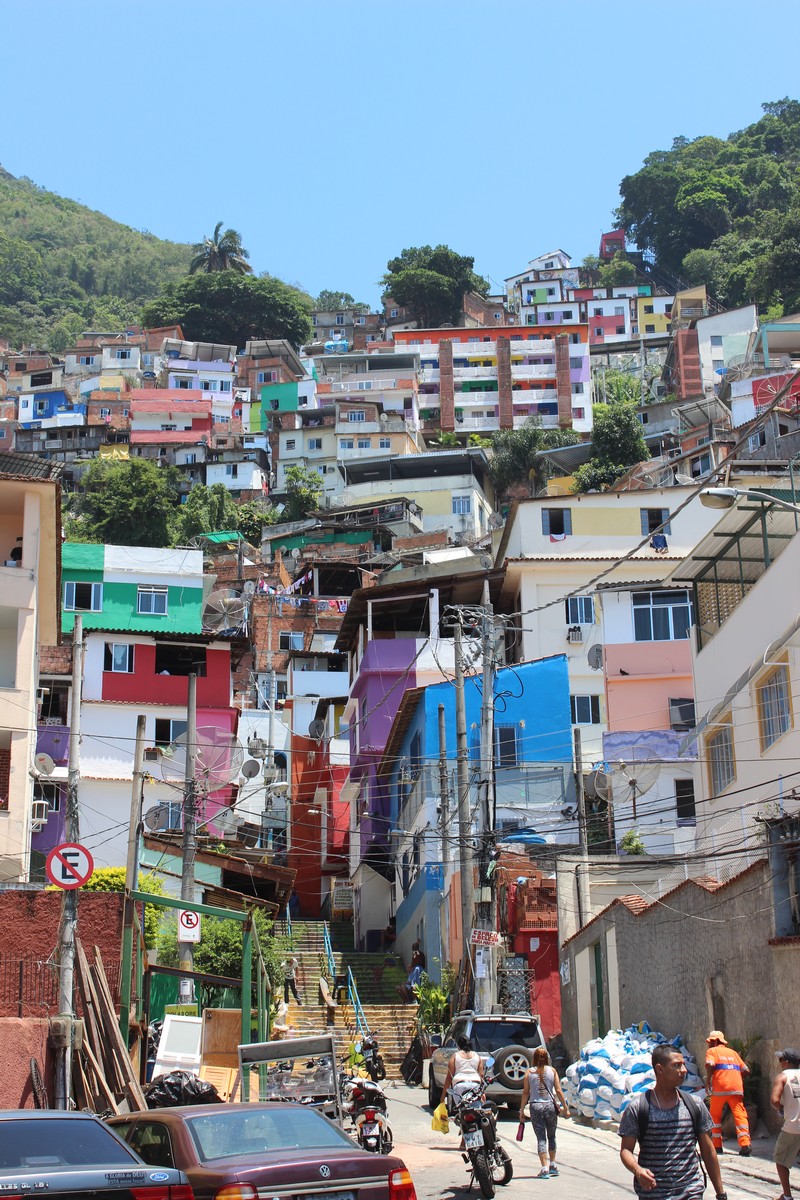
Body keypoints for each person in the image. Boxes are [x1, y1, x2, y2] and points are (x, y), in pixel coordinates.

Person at [619, 1043, 726, 1200]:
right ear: (660, 1069)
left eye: (683, 1064)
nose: (684, 1070)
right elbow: (625, 1150)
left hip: (691, 1192)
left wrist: (721, 1194)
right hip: (653, 1194)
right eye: (677, 1065)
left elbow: (709, 1152)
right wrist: (638, 1170)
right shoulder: (638, 1108)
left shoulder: (694, 1105)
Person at [519, 1046, 569, 1179]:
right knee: (552, 1136)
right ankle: (553, 1164)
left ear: (534, 1058)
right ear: (547, 1058)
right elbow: (558, 1090)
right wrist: (565, 1107)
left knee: (541, 1138)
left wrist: (522, 1110)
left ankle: (544, 1168)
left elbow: (525, 1093)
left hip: (535, 1106)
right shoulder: (552, 1071)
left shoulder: (529, 1072)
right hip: (550, 1106)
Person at [705, 1030, 751, 1155]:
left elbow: (710, 1064)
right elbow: (746, 1070)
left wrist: (708, 1082)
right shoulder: (733, 1053)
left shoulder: (712, 1051)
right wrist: (736, 1078)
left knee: (715, 1116)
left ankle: (717, 1146)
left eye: (710, 1041)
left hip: (720, 1088)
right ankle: (745, 1144)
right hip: (736, 1088)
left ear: (715, 1041)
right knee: (740, 1115)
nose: (709, 1044)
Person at [771, 1047, 800, 1200]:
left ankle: (787, 1196)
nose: (779, 1062)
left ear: (787, 1062)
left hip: (793, 1126)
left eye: (781, 1059)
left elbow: (774, 1100)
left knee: (780, 1159)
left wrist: (781, 1109)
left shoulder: (783, 1076)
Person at [440, 1034, 484, 1109]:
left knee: (461, 1109)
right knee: (476, 1109)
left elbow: (449, 1077)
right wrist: (482, 1093)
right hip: (475, 1085)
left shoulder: (455, 1056)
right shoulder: (477, 1056)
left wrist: (443, 1096)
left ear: (458, 1045)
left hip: (459, 1086)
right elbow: (481, 1075)